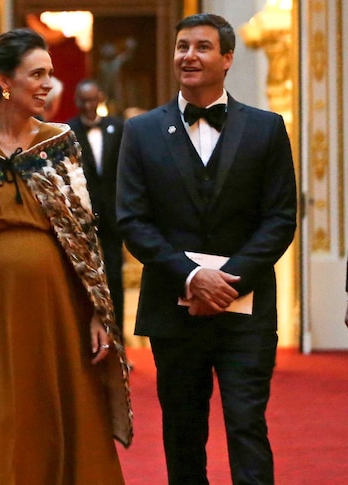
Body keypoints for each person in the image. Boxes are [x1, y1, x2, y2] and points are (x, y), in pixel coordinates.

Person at [0, 28, 132, 484]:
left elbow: (84, 236)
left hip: (57, 309)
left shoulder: (60, 144)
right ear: (4, 81)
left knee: (52, 411)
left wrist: (97, 311)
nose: (47, 86)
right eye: (36, 74)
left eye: (50, 75)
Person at [117, 13, 297, 484]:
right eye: (182, 46)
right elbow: (132, 220)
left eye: (201, 47)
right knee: (182, 432)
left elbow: (280, 219)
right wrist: (193, 278)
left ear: (228, 58)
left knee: (246, 426)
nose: (188, 56)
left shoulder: (266, 129)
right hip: (173, 314)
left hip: (248, 309)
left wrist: (228, 281)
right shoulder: (140, 132)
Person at [67, 79, 126, 343]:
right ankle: (87, 341)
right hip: (82, 219)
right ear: (77, 101)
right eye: (84, 100)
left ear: (100, 97)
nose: (89, 105)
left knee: (115, 279)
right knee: (84, 280)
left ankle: (117, 340)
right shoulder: (67, 131)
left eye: (93, 99)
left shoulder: (117, 127)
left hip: (113, 218)